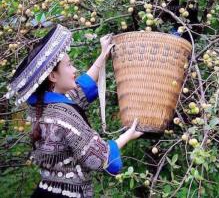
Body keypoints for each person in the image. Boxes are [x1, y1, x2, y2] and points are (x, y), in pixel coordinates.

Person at [5, 24, 143, 198]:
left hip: (45, 191)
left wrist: (102, 56)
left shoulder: (38, 106)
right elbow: (99, 158)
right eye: (69, 65)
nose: (74, 70)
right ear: (53, 77)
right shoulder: (65, 115)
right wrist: (128, 134)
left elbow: (79, 91)